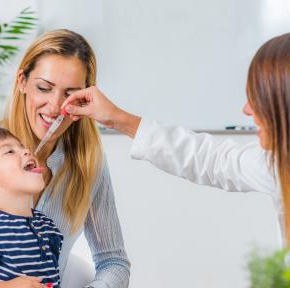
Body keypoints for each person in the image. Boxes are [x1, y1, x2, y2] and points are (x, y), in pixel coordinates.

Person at [62, 33, 290, 246]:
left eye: (257, 99)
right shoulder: (276, 165)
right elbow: (210, 159)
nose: (246, 110)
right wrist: (117, 119)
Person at [0, 29, 130, 288]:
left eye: (70, 94)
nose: (55, 107)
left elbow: (115, 264)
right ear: (21, 81)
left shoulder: (88, 164)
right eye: (44, 88)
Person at [0, 126, 64, 288]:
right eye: (9, 151)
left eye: (22, 147)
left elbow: (52, 284)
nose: (26, 151)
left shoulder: (48, 227)